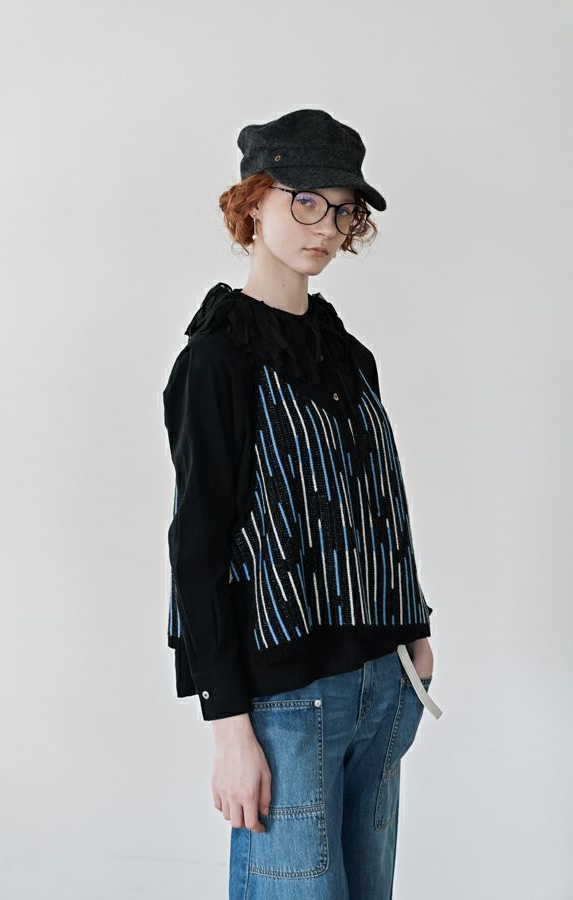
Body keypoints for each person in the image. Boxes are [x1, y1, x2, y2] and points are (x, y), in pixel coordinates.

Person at [162, 108, 443, 899]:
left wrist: (413, 631)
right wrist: (229, 728)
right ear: (254, 200)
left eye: (343, 208)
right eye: (306, 199)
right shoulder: (216, 361)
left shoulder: (350, 356)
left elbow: (373, 500)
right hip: (286, 702)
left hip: (384, 682)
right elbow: (198, 548)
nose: (326, 225)